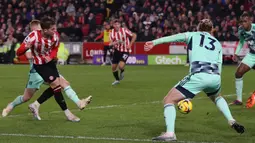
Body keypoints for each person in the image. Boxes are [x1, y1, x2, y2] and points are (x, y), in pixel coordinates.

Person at [144, 19, 245, 142]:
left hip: (199, 74)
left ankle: (170, 133)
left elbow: (174, 37)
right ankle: (231, 120)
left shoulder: (192, 35)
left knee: (168, 100)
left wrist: (154, 42)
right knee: (217, 96)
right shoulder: (217, 43)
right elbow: (219, 64)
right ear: (211, 29)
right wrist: (215, 80)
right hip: (215, 76)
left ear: (198, 27)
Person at [2, 17, 90, 122]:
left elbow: (55, 48)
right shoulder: (32, 37)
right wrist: (27, 47)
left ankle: (75, 106)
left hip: (49, 64)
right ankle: (12, 105)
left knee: (61, 84)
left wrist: (51, 56)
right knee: (27, 97)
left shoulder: (54, 35)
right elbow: (19, 53)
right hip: (37, 69)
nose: (55, 31)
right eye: (34, 28)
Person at [230, 12, 255, 106]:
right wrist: (236, 53)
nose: (243, 24)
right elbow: (241, 42)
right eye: (241, 22)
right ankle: (239, 100)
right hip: (252, 55)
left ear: (250, 21)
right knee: (238, 73)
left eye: (245, 21)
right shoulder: (241, 30)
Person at [110, 19, 137, 85]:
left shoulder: (124, 30)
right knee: (113, 67)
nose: (117, 25)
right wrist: (116, 42)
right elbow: (110, 43)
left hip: (125, 50)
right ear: (113, 25)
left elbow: (134, 35)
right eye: (115, 24)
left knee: (121, 66)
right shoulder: (111, 33)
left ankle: (122, 71)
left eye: (118, 24)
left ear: (120, 25)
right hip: (117, 50)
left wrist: (130, 45)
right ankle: (117, 80)